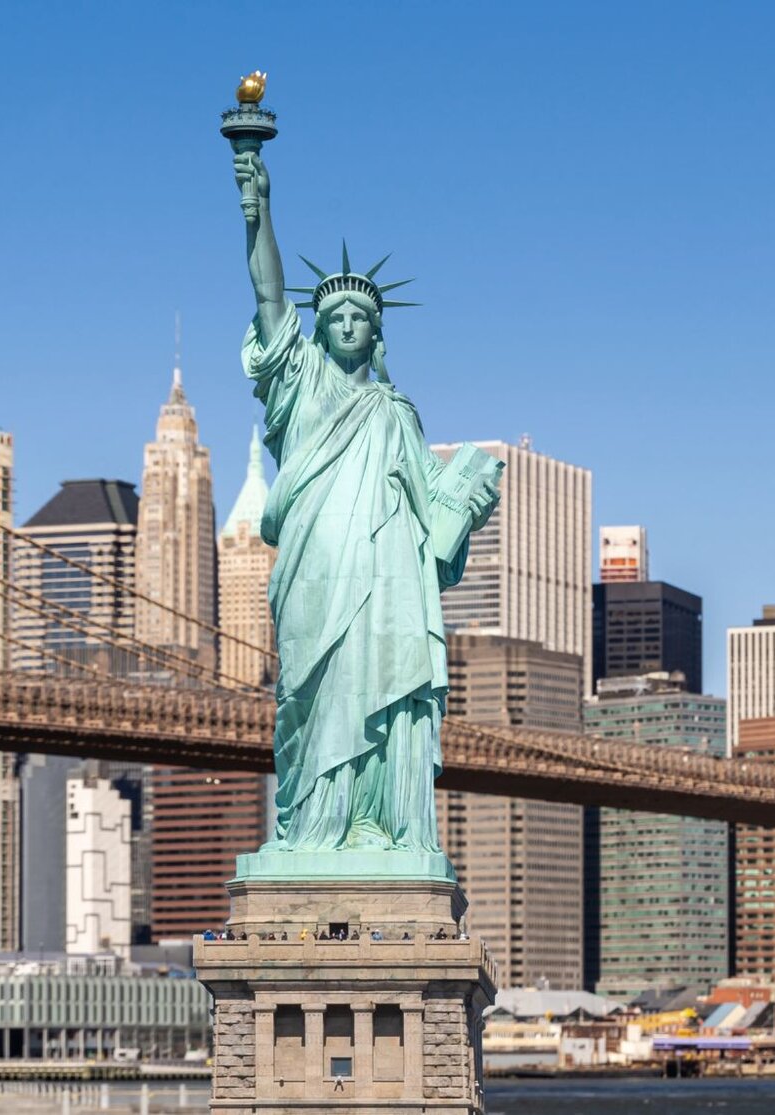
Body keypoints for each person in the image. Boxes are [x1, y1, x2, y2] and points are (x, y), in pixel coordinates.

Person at [230, 148, 500, 857]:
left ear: (376, 333)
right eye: (336, 316)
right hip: (315, 569)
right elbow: (268, 296)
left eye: (360, 316)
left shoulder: (394, 410)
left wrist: (471, 499)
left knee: (380, 681)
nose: (348, 324)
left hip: (385, 580)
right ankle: (314, 828)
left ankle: (377, 822)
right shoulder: (301, 381)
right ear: (318, 330)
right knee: (316, 693)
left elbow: (432, 507)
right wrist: (258, 211)